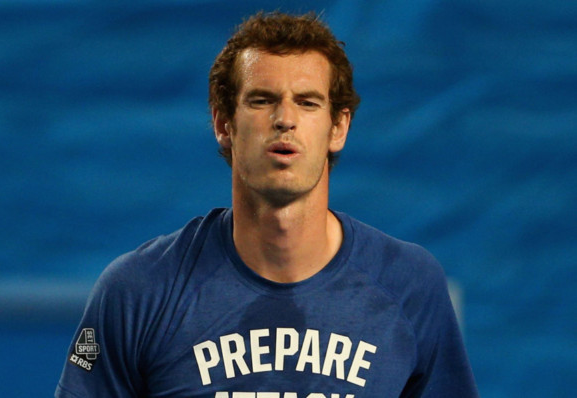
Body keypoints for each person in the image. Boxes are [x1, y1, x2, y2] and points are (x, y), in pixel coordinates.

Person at [56, 11, 479, 398]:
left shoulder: (409, 286)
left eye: (308, 102)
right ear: (224, 123)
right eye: (262, 100)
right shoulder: (140, 291)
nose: (285, 119)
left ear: (339, 127)